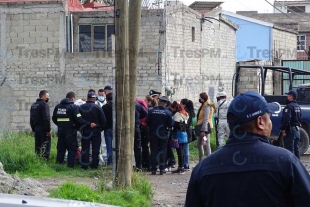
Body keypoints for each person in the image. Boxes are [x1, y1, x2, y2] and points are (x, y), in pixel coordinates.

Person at [185, 91, 310, 207]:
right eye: (269, 117)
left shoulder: (203, 169)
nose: (270, 123)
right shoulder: (286, 162)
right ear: (260, 122)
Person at [52, 92, 97, 168]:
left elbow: (54, 118)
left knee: (61, 148)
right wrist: (89, 123)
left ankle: (59, 165)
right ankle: (70, 166)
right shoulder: (73, 107)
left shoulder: (58, 106)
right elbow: (79, 119)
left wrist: (60, 125)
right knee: (72, 148)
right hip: (70, 132)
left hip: (60, 131)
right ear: (72, 98)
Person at [146, 96, 174, 175]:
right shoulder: (168, 113)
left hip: (153, 133)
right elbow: (171, 124)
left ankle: (153, 169)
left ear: (159, 102)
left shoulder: (151, 111)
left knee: (153, 150)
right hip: (163, 134)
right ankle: (162, 169)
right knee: (163, 150)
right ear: (166, 104)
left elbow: (147, 122)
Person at [79, 91, 106, 170]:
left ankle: (84, 166)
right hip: (96, 131)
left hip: (85, 131)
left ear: (87, 98)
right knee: (95, 149)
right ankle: (94, 166)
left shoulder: (81, 107)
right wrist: (101, 128)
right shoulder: (98, 107)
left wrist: (86, 125)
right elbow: (103, 120)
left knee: (85, 148)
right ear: (94, 99)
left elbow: (78, 119)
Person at [281, 90, 303, 159]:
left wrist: (283, 129)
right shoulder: (297, 106)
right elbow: (300, 119)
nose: (287, 97)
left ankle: (290, 166)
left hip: (290, 130)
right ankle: (298, 165)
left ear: (291, 97)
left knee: (289, 149)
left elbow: (286, 119)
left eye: (289, 95)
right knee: (296, 149)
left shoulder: (289, 107)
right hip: (297, 130)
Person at [30, 90, 51, 160]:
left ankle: (38, 160)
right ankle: (45, 161)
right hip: (43, 128)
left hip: (36, 128)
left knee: (38, 146)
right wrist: (48, 130)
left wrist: (34, 129)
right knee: (45, 145)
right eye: (47, 97)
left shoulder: (33, 105)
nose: (48, 98)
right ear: (43, 96)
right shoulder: (44, 105)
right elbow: (46, 118)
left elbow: (31, 119)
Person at [195, 92, 216, 161]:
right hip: (201, 126)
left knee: (206, 145)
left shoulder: (207, 106)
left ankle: (209, 162)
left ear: (203, 98)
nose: (199, 99)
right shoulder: (204, 104)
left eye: (200, 98)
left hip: (205, 127)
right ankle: (201, 161)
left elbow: (206, 118)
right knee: (199, 144)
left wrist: (204, 130)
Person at [170, 101, 189, 174]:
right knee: (182, 152)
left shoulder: (177, 115)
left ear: (175, 108)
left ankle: (180, 167)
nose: (171, 109)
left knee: (179, 152)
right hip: (184, 134)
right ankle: (182, 167)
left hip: (178, 135)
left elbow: (176, 125)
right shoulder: (185, 113)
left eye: (172, 108)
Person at [180, 99, 195, 171]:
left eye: (181, 103)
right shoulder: (190, 111)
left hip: (184, 131)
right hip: (188, 131)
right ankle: (186, 164)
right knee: (186, 148)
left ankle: (185, 164)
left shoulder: (185, 112)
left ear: (184, 105)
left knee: (184, 149)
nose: (180, 105)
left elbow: (185, 123)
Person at [134, 101, 148, 171]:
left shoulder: (121, 104)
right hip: (136, 126)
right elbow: (145, 113)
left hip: (124, 128)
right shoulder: (137, 105)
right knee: (137, 147)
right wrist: (138, 118)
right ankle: (139, 166)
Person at [102, 93, 113, 166]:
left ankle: (110, 163)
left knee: (109, 146)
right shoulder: (118, 107)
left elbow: (102, 118)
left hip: (107, 129)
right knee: (118, 146)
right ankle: (118, 162)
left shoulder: (104, 107)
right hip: (117, 129)